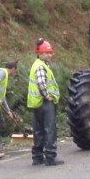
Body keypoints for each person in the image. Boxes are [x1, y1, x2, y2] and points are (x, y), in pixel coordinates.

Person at [27, 38, 63, 166]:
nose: (50, 55)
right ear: (40, 54)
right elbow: (41, 83)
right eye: (47, 52)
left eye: (50, 52)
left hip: (36, 103)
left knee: (38, 130)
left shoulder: (36, 65)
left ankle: (37, 157)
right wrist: (47, 96)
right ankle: (50, 157)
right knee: (49, 129)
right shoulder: (41, 67)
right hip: (45, 103)